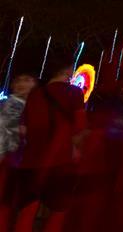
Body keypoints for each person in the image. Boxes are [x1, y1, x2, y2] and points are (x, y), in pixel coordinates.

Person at [9, 62, 86, 232]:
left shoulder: (35, 93)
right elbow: (79, 127)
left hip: (31, 161)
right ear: (67, 72)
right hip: (60, 161)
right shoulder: (74, 92)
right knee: (57, 212)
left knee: (27, 211)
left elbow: (25, 128)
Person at [0, 74, 35, 228]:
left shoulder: (28, 105)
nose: (22, 83)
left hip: (17, 160)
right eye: (19, 80)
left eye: (27, 80)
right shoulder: (14, 103)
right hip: (9, 159)